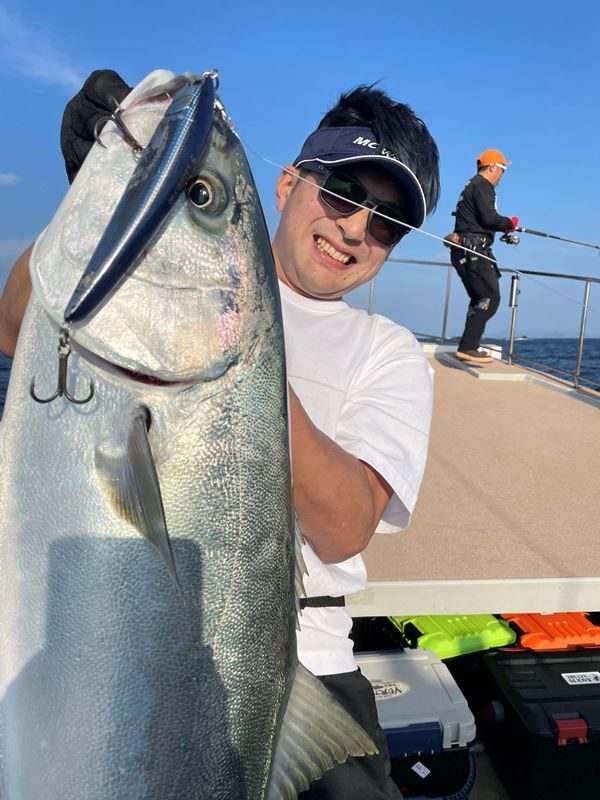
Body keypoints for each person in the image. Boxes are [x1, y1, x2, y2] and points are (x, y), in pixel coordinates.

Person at [0, 72, 440, 799]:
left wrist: (240, 355)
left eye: (388, 222)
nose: (356, 228)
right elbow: (16, 329)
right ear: (289, 183)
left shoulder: (388, 351)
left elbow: (346, 527)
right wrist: (100, 208)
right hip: (84, 619)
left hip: (306, 670)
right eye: (343, 192)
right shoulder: (154, 270)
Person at [449, 149, 518, 364]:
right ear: (492, 167)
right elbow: (489, 218)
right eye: (503, 169)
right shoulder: (483, 186)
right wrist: (509, 223)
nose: (502, 175)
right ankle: (468, 347)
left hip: (467, 251)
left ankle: (468, 345)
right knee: (489, 297)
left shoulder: (471, 185)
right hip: (473, 252)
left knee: (480, 298)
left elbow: (477, 220)